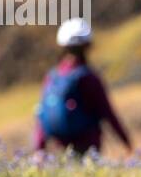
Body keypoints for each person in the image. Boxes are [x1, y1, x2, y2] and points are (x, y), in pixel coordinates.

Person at [35, 18, 132, 155]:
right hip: (87, 146)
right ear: (87, 45)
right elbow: (107, 113)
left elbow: (42, 114)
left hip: (58, 147)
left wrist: (39, 149)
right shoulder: (88, 78)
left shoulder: (52, 77)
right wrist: (127, 143)